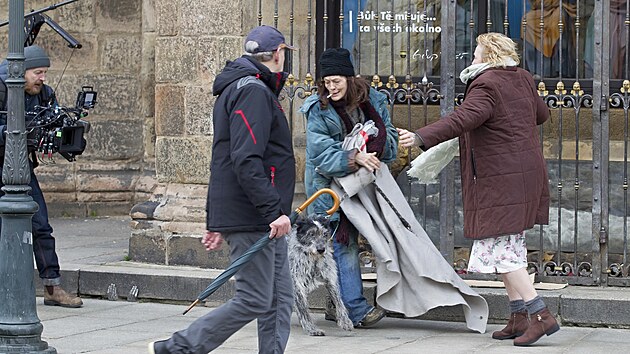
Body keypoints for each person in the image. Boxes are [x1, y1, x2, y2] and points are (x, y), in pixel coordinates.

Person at [398, 32, 558, 346]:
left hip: (500, 179)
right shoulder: (521, 77)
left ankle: (540, 314)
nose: (472, 59)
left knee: (499, 248)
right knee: (509, 246)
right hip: (524, 174)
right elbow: (542, 114)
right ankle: (518, 315)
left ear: (488, 56)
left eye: (475, 54)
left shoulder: (487, 83)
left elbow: (465, 118)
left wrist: (420, 137)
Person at [149, 25, 296, 354]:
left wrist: (215, 220)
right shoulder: (253, 91)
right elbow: (244, 159)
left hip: (258, 213)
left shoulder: (249, 88)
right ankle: (178, 347)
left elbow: (223, 157)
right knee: (256, 298)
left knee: (278, 298)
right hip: (254, 214)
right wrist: (272, 211)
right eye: (285, 53)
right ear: (277, 54)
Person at [299, 48, 398, 328]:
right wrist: (355, 157)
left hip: (363, 189)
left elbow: (389, 143)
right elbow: (320, 154)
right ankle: (355, 309)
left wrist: (375, 147)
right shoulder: (317, 108)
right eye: (326, 82)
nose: (331, 88)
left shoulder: (374, 101)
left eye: (336, 82)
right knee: (343, 244)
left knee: (343, 246)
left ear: (350, 78)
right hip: (327, 191)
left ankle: (335, 305)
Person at [0, 45, 82, 308]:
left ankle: (52, 287)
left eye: (44, 72)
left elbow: (54, 126)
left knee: (41, 226)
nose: (42, 77)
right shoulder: (3, 90)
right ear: (21, 72)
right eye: (37, 72)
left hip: (21, 168)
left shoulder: (45, 94)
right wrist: (10, 132)